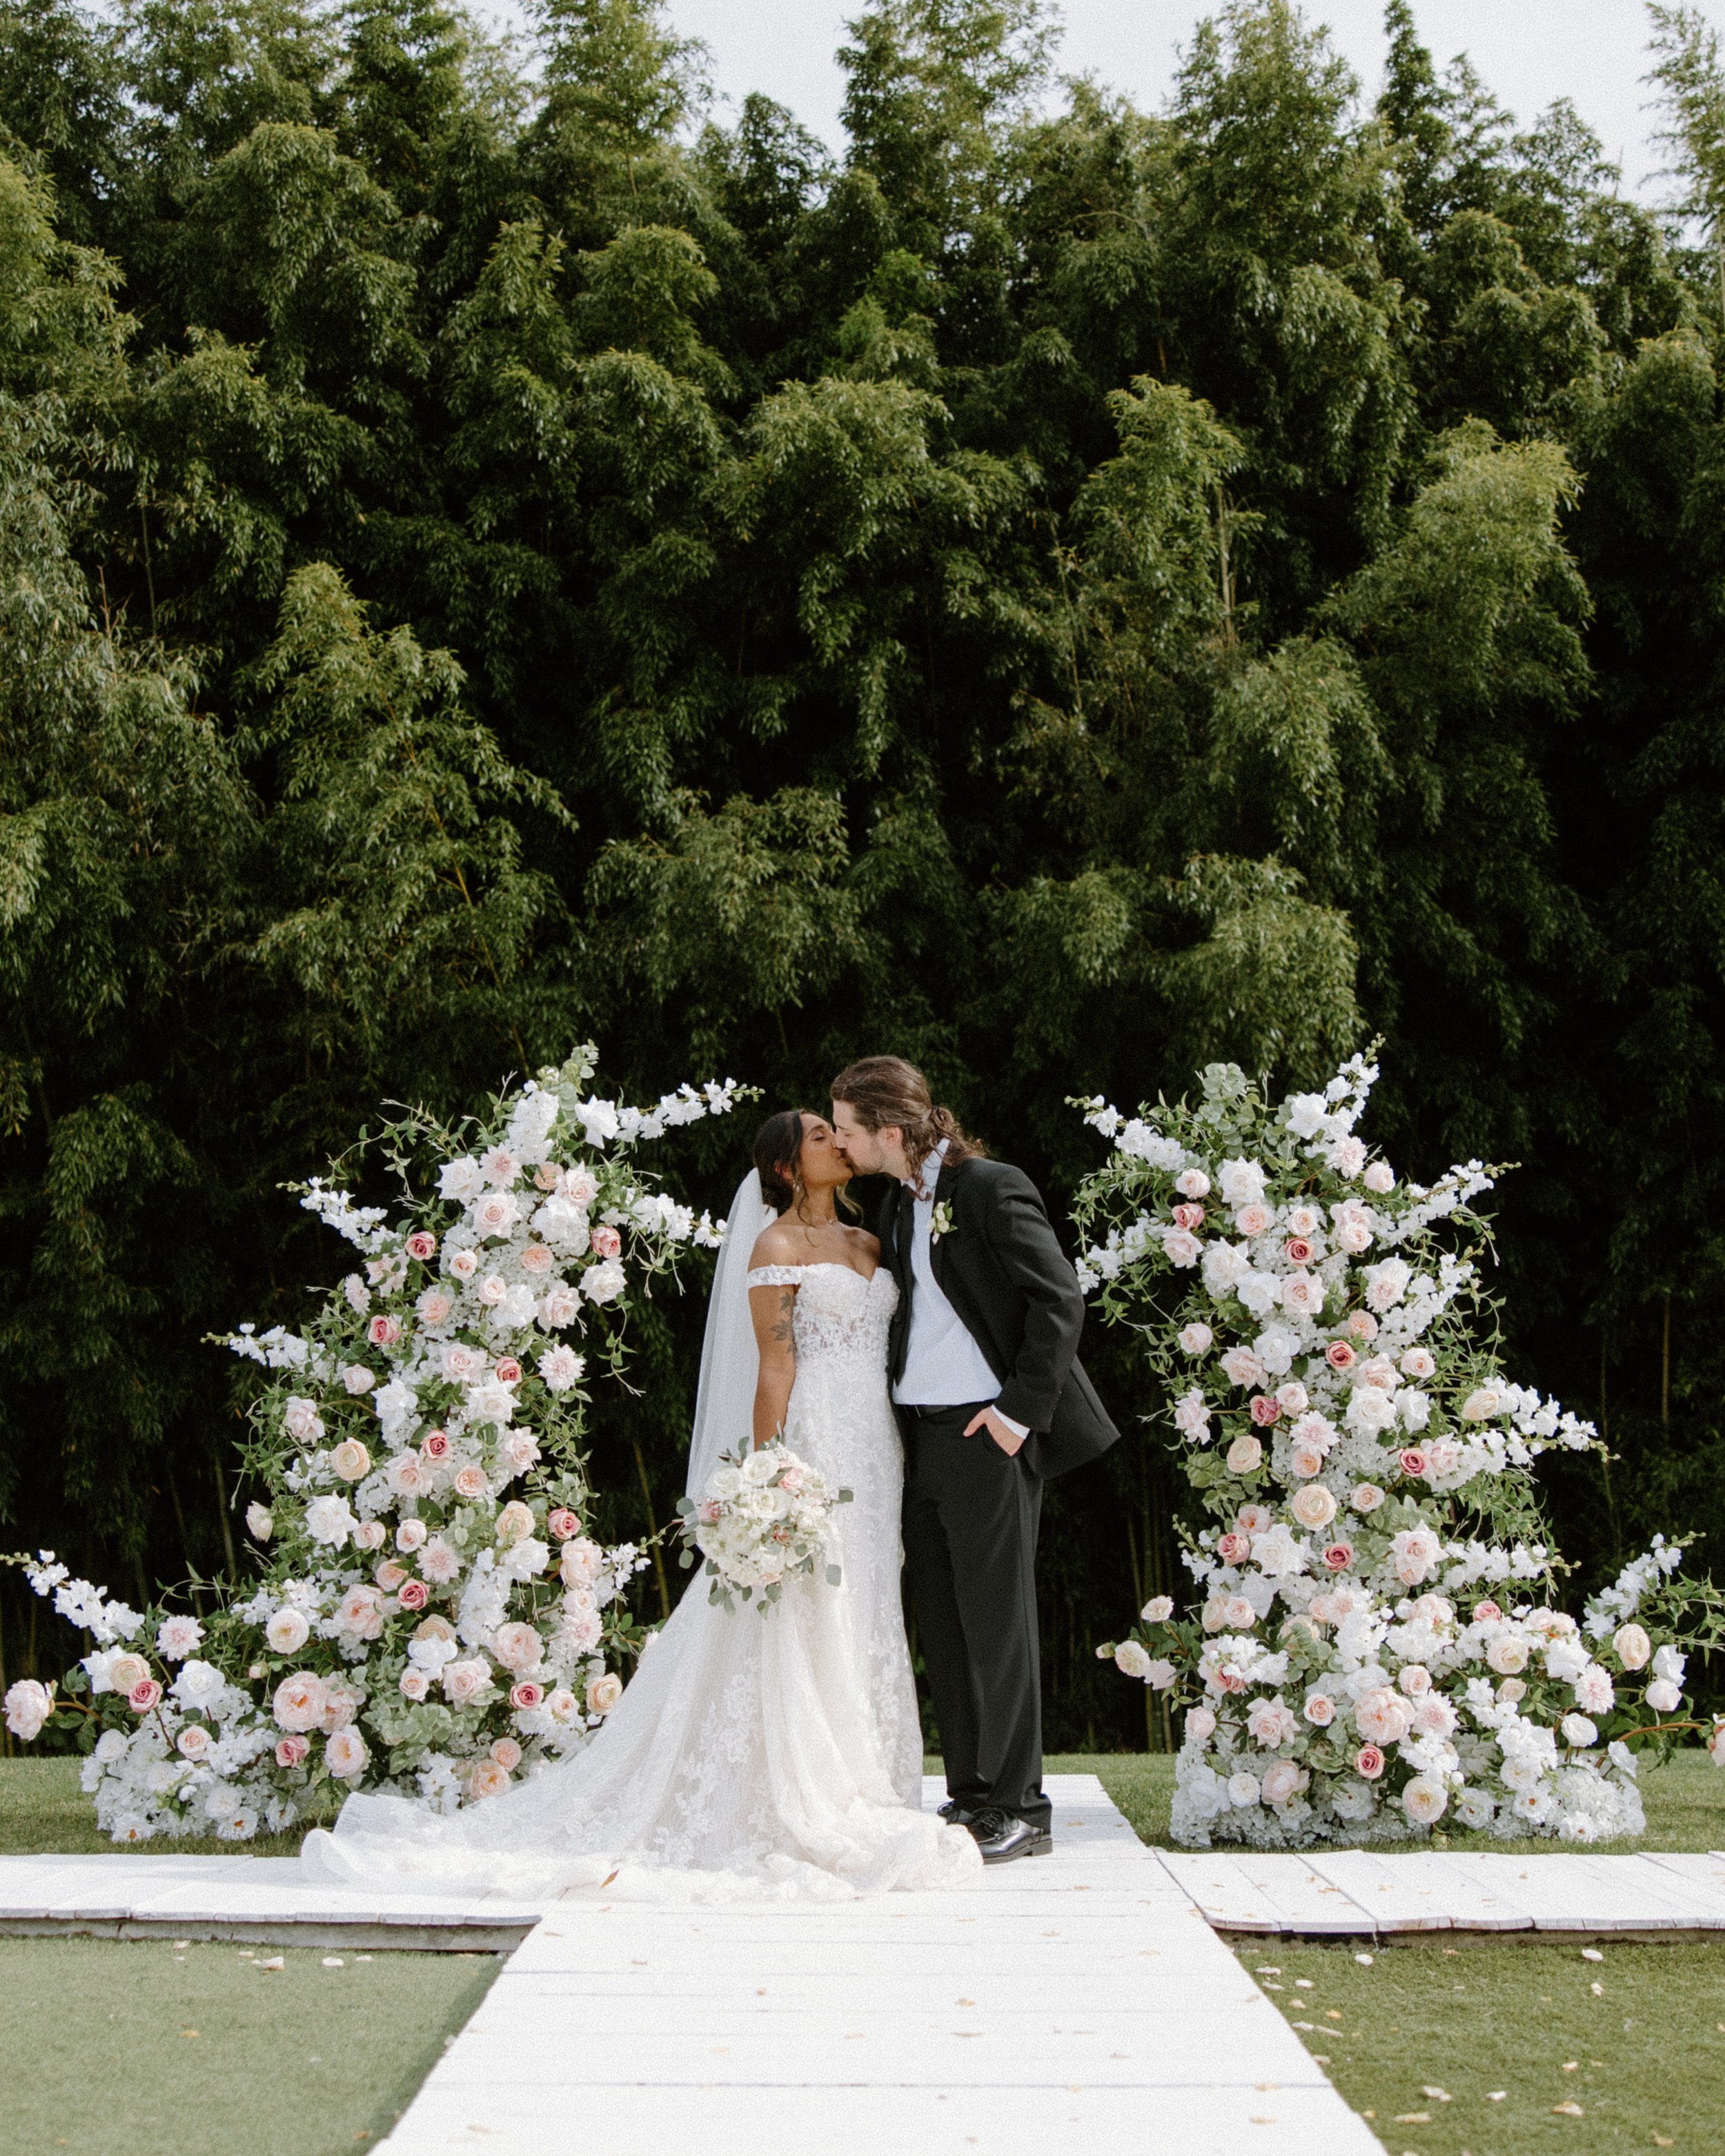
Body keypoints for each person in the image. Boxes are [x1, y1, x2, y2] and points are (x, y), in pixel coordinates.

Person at [297, 1110, 980, 1902]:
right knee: (804, 1606)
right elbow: (775, 1367)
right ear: (789, 1168)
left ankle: (867, 1774)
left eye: (837, 1130)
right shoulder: (776, 1247)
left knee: (863, 1599)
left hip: (877, 1447)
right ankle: (805, 1779)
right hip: (816, 1439)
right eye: (820, 1136)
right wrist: (768, 1475)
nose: (837, 1141)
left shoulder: (871, 1240)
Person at [831, 1056, 1119, 1865]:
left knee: (999, 1622)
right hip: (916, 1435)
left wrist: (1016, 1415)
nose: (842, 1143)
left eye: (848, 1129)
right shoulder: (895, 1203)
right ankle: (969, 1794)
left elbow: (1059, 1299)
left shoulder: (988, 1187)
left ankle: (1023, 1805)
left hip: (984, 1433)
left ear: (890, 1130)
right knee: (948, 1626)